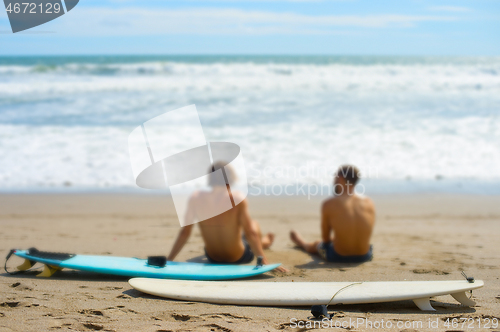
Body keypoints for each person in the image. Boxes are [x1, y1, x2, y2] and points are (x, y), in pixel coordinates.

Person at [167, 162, 286, 272]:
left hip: (212, 258)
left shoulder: (196, 198)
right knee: (253, 224)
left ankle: (262, 242)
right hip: (238, 257)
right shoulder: (237, 199)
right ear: (231, 178)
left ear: (210, 178)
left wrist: (169, 260)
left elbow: (185, 233)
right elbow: (251, 233)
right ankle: (264, 243)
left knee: (236, 233)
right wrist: (264, 261)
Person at [290, 165, 375, 263]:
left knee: (318, 244)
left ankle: (302, 242)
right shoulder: (369, 203)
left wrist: (337, 238)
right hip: (364, 256)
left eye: (335, 177)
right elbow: (364, 233)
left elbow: (325, 240)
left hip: (338, 256)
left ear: (340, 178)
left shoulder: (329, 204)